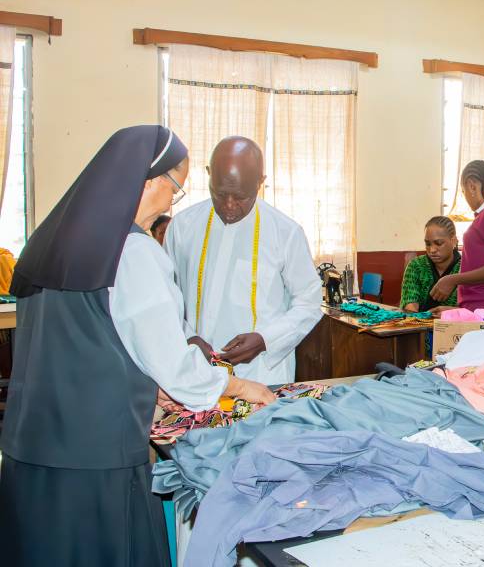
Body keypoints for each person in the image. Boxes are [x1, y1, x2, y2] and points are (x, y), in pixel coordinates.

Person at [0, 126, 275, 567]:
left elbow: (89, 340)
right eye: (175, 188)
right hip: (96, 455)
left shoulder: (50, 240)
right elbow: (172, 362)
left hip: (33, 443)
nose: (171, 202)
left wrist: (147, 386)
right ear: (147, 181)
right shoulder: (132, 251)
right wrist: (238, 386)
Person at [164, 136, 322, 385]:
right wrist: (187, 336)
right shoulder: (182, 227)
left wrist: (265, 339)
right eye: (219, 194)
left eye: (241, 197)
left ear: (261, 182)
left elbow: (309, 302)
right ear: (208, 175)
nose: (229, 206)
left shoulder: (285, 233)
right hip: (195, 368)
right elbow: (166, 295)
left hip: (261, 374)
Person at [430, 160, 484, 314]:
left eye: (463, 191)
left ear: (472, 186)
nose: (465, 197)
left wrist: (452, 279)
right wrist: (466, 310)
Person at [400, 216, 462, 313]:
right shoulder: (416, 266)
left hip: (457, 326)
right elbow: (409, 305)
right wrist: (418, 320)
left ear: (453, 240)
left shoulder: (465, 269)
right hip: (419, 325)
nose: (432, 250)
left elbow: (474, 309)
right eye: (428, 244)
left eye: (439, 243)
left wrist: (452, 313)